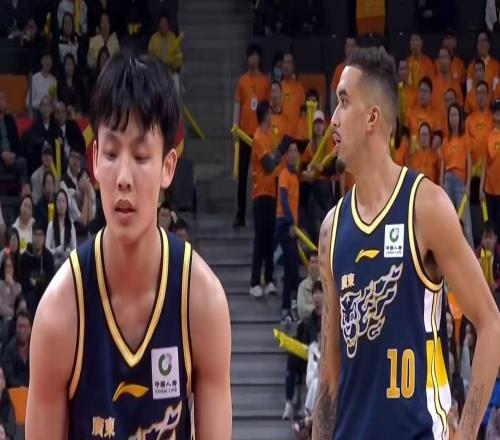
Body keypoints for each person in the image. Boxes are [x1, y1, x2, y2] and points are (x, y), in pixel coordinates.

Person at [26, 53, 232, 439]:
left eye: (140, 156)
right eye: (111, 153)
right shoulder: (59, 312)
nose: (123, 177)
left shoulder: (202, 301)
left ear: (168, 167)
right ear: (94, 162)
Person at [312, 46, 500, 440]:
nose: (333, 120)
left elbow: (490, 323)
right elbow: (329, 378)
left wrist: (467, 433)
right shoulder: (331, 228)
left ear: (372, 117)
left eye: (343, 102)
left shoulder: (425, 206)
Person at [233, 44, 269, 228]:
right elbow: (237, 104)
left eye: (255, 55)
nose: (252, 59)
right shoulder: (242, 81)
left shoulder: (265, 81)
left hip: (259, 136)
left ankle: (258, 212)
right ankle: (240, 214)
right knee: (242, 176)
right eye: (250, 56)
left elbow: (267, 108)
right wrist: (234, 126)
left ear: (259, 59)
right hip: (244, 134)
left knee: (259, 176)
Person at [249, 100, 282, 298]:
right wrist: (279, 153)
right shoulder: (258, 137)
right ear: (264, 115)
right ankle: (254, 281)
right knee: (260, 239)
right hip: (260, 193)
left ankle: (269, 280)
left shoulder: (270, 135)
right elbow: (269, 165)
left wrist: (277, 154)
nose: (272, 116)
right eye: (269, 113)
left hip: (271, 193)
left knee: (270, 239)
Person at [441, 103, 474, 247]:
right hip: (448, 180)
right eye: (450, 115)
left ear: (459, 117)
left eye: (455, 115)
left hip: (460, 181)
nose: (452, 118)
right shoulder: (445, 141)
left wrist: (468, 185)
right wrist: (441, 185)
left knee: (465, 221)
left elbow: (469, 161)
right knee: (447, 219)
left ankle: (471, 254)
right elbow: (442, 165)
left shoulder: (465, 138)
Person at [276, 139, 300, 322]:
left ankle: (292, 304)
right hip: (284, 224)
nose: (293, 154)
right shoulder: (284, 175)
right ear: (286, 155)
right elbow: (284, 201)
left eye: (295, 151)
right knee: (290, 268)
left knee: (294, 268)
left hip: (292, 225)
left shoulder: (295, 176)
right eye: (290, 151)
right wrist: (291, 222)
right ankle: (286, 307)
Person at [20, 222, 55, 316]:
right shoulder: (24, 257)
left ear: (44, 238)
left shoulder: (49, 257)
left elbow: (50, 282)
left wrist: (36, 284)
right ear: (31, 237)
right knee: (30, 297)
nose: (38, 238)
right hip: (29, 296)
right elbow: (24, 283)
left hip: (44, 296)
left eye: (40, 235)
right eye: (35, 234)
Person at [0, 91, 28, 191]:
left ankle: (24, 193)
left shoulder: (10, 120)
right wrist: (2, 155)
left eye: (2, 99)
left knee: (22, 162)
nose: (0, 102)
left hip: (12, 160)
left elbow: (18, 144)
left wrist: (13, 155)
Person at [482, 100, 500, 238]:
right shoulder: (488, 136)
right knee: (492, 226)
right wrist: (481, 188)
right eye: (496, 111)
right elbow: (484, 164)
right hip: (489, 188)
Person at [46, 189, 77, 269]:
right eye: (59, 201)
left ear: (67, 205)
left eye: (63, 201)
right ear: (55, 204)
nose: (61, 204)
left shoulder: (71, 226)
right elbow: (46, 251)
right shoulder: (51, 226)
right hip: (54, 265)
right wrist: (57, 250)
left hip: (67, 265)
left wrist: (68, 252)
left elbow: (75, 250)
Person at [2, 310, 31, 388]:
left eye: (24, 326)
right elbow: (9, 377)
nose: (22, 330)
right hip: (15, 391)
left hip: (33, 389)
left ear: (30, 328)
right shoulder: (9, 350)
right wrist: (20, 387)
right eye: (19, 326)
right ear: (16, 327)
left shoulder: (35, 349)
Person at [466, 30, 499, 94]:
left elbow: (496, 90)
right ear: (476, 46)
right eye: (480, 41)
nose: (482, 44)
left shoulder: (496, 65)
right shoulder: (471, 66)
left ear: (489, 44)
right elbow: (469, 91)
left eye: (484, 40)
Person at [330, 36, 357, 114]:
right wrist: (333, 114)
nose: (350, 49)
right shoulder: (339, 69)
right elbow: (333, 94)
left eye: (352, 46)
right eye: (348, 46)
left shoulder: (361, 70)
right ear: (345, 48)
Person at [281, 51, 305, 130]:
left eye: (289, 63)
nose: (286, 66)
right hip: (281, 132)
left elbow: (303, 114)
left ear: (293, 67)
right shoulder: (277, 88)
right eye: (284, 62)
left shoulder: (299, 88)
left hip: (295, 133)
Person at [67, 169, 96, 235]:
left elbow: (91, 223)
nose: (86, 181)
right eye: (83, 178)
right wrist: (86, 194)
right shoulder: (72, 196)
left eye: (87, 178)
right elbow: (83, 223)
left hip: (88, 234)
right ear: (77, 183)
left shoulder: (91, 195)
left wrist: (88, 195)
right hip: (75, 232)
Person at [297, 251, 320, 320]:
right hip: (306, 322)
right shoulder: (302, 286)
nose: (314, 265)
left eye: (316, 262)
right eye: (312, 262)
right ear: (308, 265)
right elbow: (301, 311)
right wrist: (318, 308)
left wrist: (310, 307)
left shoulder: (327, 285)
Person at [0, 255, 22, 320]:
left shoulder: (18, 286)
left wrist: (12, 285)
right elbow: (0, 308)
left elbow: (19, 302)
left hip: (15, 319)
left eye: (10, 266)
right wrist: (14, 313)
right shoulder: (0, 284)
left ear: (13, 269)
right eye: (6, 267)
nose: (8, 269)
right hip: (3, 318)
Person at [397, 59, 417, 127]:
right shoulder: (394, 91)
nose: (403, 72)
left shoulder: (415, 92)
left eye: (405, 69)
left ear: (408, 71)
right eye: (401, 69)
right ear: (398, 72)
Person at [0, 367, 15, 440]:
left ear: (4, 383)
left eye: (0, 377)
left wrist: (2, 428)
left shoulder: (7, 400)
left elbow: (11, 427)